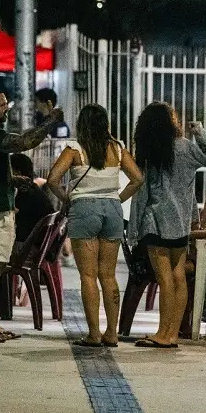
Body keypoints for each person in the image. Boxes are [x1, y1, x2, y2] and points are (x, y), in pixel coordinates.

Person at [0, 85, 65, 342]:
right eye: (1, 104)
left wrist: (11, 180)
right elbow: (24, 142)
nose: (6, 108)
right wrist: (49, 122)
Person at [46, 104, 144, 347]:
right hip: (112, 210)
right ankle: (112, 333)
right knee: (108, 275)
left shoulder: (75, 149)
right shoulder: (118, 148)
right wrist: (117, 199)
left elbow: (52, 179)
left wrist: (68, 197)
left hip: (85, 209)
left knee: (88, 276)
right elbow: (137, 179)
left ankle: (94, 334)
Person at [128, 102, 206, 349]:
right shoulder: (185, 147)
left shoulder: (151, 150)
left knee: (164, 279)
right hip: (180, 223)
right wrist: (199, 132)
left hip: (156, 222)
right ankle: (173, 334)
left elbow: (143, 194)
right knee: (179, 278)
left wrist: (133, 229)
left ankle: (162, 333)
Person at [10, 154, 55, 245]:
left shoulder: (25, 194)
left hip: (26, 245)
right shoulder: (34, 190)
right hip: (38, 244)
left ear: (17, 173)